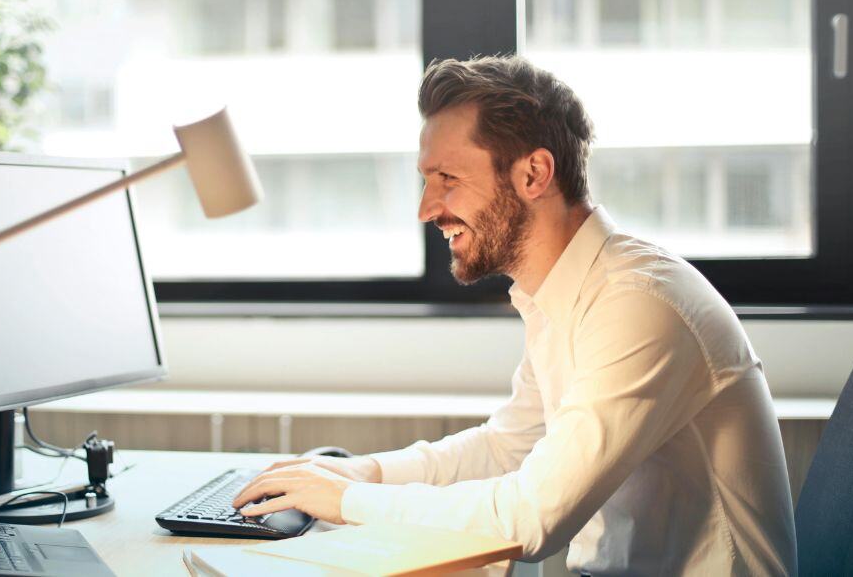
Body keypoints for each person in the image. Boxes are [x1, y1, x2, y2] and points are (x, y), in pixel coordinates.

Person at [232, 56, 797, 576]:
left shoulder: (639, 305)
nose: (427, 208)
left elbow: (531, 520)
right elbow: (508, 447)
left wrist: (345, 503)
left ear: (534, 175)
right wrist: (364, 473)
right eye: (426, 181)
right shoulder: (563, 293)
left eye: (447, 179)